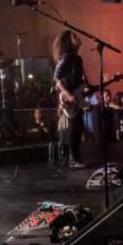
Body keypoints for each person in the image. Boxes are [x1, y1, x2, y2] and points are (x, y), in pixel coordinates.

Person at [52, 30, 88, 168]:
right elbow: (56, 78)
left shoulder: (77, 58)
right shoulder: (66, 58)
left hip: (76, 95)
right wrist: (68, 94)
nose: (78, 37)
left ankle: (75, 157)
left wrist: (85, 88)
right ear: (68, 41)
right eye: (74, 36)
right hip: (70, 98)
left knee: (78, 127)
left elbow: (78, 80)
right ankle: (73, 159)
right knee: (75, 128)